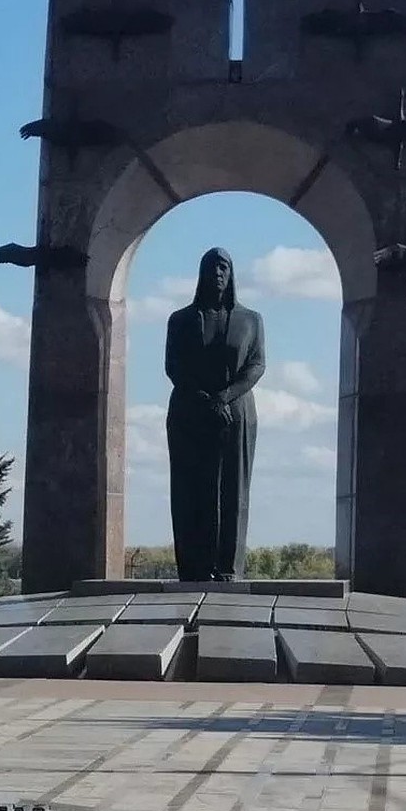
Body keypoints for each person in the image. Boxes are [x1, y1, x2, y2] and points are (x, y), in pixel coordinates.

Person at [164, 249, 266, 582]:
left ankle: (227, 568)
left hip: (235, 413)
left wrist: (224, 397)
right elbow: (173, 365)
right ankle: (193, 567)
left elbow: (257, 365)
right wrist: (202, 399)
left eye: (223, 267)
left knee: (233, 491)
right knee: (190, 489)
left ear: (231, 273)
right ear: (201, 273)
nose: (217, 273)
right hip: (189, 413)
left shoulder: (251, 319)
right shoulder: (180, 320)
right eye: (211, 267)